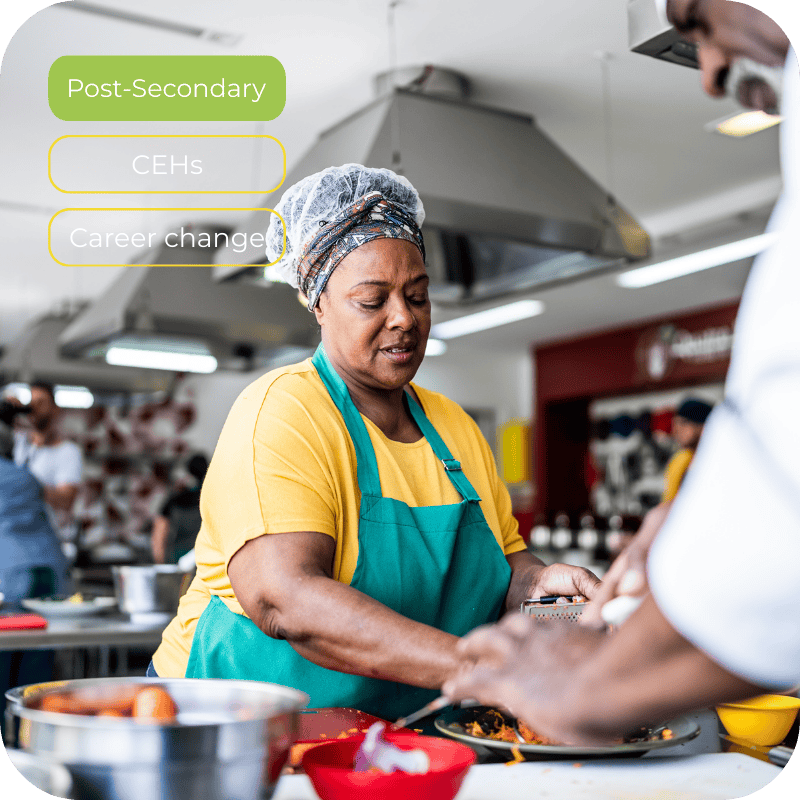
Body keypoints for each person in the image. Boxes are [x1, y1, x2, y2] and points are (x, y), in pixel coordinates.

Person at [443, 0, 798, 744]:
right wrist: (694, 529)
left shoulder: (451, 429)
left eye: (695, 20)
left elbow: (780, 512)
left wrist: (589, 686)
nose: (709, 73)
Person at [151, 164, 600, 719]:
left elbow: (508, 567)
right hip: (241, 724)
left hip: (400, 727)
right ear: (317, 302)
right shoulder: (284, 412)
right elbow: (284, 599)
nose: (404, 319)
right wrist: (480, 669)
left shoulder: (455, 427)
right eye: (372, 300)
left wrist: (539, 584)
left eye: (418, 296)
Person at [0, 410, 70, 736]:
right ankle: (31, 735)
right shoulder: (25, 476)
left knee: (5, 654)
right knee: (38, 655)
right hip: (48, 567)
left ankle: (8, 737)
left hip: (12, 572)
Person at [12, 383, 83, 557]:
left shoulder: (68, 451)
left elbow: (66, 499)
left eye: (41, 403)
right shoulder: (17, 444)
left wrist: (25, 486)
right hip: (15, 538)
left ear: (55, 409)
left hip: (47, 543)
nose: (34, 408)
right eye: (31, 403)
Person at [151, 453, 208, 564]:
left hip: (178, 559)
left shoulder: (174, 500)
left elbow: (159, 533)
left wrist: (160, 561)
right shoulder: (212, 499)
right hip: (204, 558)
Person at [662, 398, 713, 502]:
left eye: (683, 423)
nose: (676, 430)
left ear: (703, 425)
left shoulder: (715, 460)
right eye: (675, 424)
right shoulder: (682, 460)